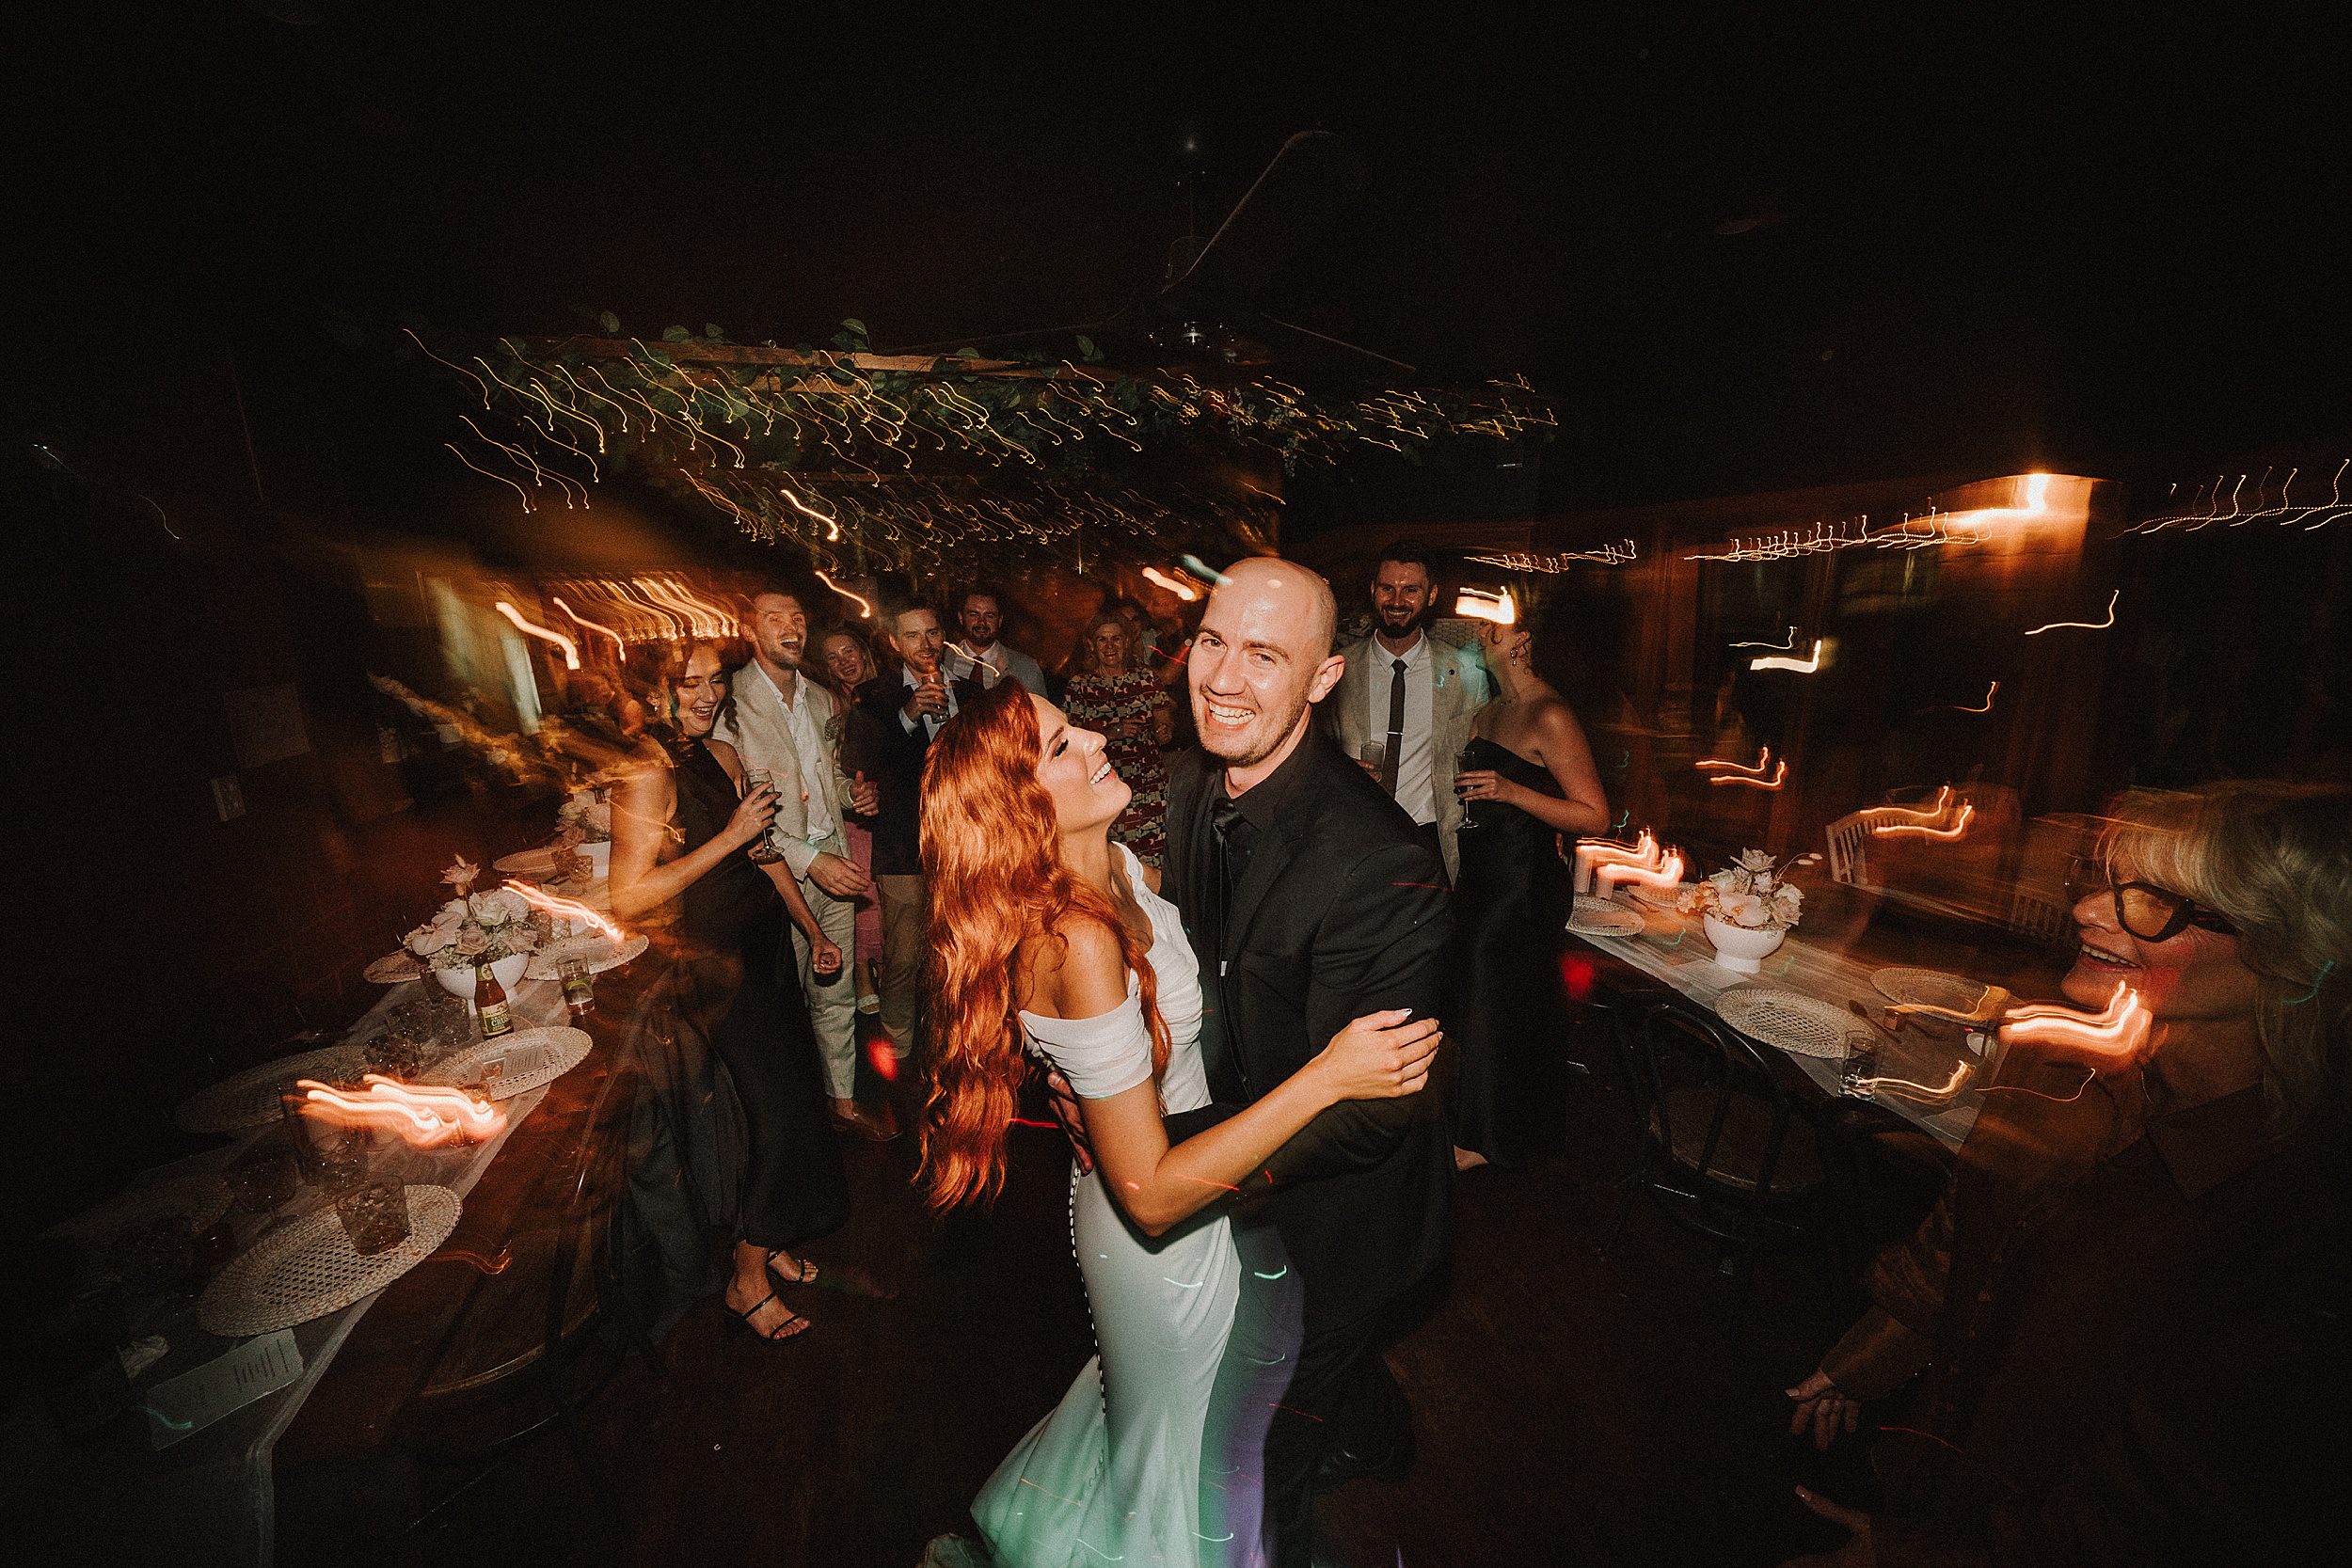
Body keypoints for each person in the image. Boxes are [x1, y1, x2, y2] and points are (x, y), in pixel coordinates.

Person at [918, 682, 1441, 1568]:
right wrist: (1329, 1075)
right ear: (1020, 807)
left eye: (1071, 723)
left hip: (1196, 1189)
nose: (1091, 736)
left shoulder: (1116, 865)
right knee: (1186, 1454)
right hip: (1159, 1233)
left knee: (1173, 1433)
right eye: (1057, 746)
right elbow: (1154, 1195)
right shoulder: (1076, 939)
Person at [1780, 781, 2350, 1568]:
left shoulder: (2292, 1225)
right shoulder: (2064, 1071)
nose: (2088, 910)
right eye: (2110, 884)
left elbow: (2158, 1518)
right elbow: (1964, 1246)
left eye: (2154, 903)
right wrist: (1862, 1360)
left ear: (2286, 956)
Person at [1165, 556, 1455, 1567]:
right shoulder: (1195, 780)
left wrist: (1171, 1160)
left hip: (1342, 1218)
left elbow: (1371, 1109)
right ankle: (1371, 1424)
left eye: (1263, 653)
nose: (1223, 676)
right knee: (1317, 1382)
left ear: (1322, 679)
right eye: (1211, 640)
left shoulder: (1380, 861)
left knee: (1255, 1462)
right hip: (1253, 1185)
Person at [609, 641, 849, 1341]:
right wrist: (730, 836)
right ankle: (746, 1280)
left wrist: (812, 929)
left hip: (769, 950)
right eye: (689, 684)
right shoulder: (647, 773)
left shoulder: (722, 755)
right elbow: (627, 896)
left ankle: (770, 1240)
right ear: (657, 691)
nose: (706, 695)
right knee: (778, 1118)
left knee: (797, 1101)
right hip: (714, 968)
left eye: (715, 682)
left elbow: (764, 853)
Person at [715, 588, 893, 1142]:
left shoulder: (820, 698)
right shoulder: (731, 702)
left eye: (796, 617)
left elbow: (823, 779)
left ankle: (841, 1101)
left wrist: (850, 796)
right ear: (751, 630)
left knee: (834, 992)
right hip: (772, 876)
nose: (790, 627)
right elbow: (735, 810)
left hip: (831, 863)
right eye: (774, 619)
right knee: (783, 1004)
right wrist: (810, 860)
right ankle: (790, 1123)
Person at [1447, 612, 1611, 1170]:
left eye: (1496, 626)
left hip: (1524, 880)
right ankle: (1488, 1119)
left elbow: (1595, 816)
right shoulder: (1489, 710)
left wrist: (1511, 791)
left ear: (1523, 641)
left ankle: (1484, 1140)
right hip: (1482, 870)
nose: (1481, 633)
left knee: (1491, 990)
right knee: (1484, 995)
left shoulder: (1551, 714)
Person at [849, 600, 981, 1071]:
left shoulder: (972, 687)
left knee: (962, 951)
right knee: (904, 958)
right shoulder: (876, 696)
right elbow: (864, 766)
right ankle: (899, 1052)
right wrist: (907, 716)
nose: (925, 644)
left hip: (964, 844)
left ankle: (958, 1044)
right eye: (912, 636)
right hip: (905, 845)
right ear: (893, 643)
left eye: (932, 633)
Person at [1325, 540, 1496, 882]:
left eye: (1411, 590)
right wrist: (1337, 768)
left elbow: (1491, 746)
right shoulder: (1339, 668)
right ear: (1373, 591)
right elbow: (1309, 748)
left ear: (1431, 596)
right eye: (1387, 588)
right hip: (1357, 835)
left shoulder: (1466, 672)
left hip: (1431, 838)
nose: (1397, 601)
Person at [1060, 607, 1174, 868]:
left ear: (1127, 641)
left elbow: (1163, 721)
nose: (1109, 646)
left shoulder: (1146, 679)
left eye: (1116, 638)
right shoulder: (1080, 686)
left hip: (1148, 790)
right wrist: (1112, 733)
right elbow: (1070, 741)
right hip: (1103, 789)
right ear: (1092, 645)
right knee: (1113, 865)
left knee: (1155, 864)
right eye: (1102, 639)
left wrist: (1163, 730)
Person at [816, 626, 886, 1020]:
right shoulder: (827, 705)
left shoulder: (895, 690)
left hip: (893, 804)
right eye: (832, 657)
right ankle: (861, 972)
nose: (844, 662)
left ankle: (889, 966)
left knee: (895, 894)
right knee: (864, 890)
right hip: (852, 807)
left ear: (863, 651)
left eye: (848, 651)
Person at [948, 584, 1048, 695]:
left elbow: (1039, 711)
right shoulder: (943, 662)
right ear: (961, 617)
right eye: (973, 614)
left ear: (1000, 620)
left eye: (990, 616)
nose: (981, 622)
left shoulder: (1025, 669)